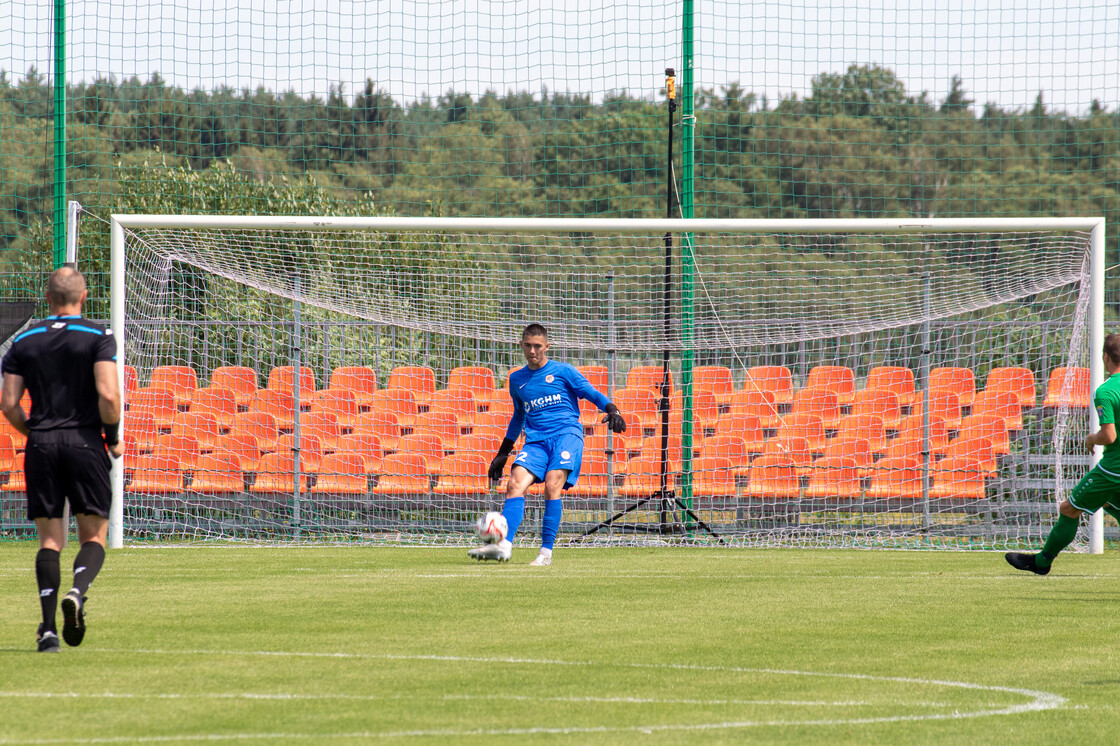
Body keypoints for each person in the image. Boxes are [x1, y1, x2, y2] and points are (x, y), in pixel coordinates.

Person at [0, 267, 122, 652]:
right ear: (83, 296)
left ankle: (48, 630)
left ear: (48, 299)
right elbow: (108, 395)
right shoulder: (98, 335)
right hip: (86, 443)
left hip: (42, 446)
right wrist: (113, 438)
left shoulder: (25, 340)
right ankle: (77, 591)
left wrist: (34, 434)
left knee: (50, 541)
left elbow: (8, 403)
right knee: (94, 535)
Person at [469, 323, 625, 565]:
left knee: (552, 485)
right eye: (528, 346)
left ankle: (545, 553)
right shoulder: (517, 379)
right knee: (514, 484)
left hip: (566, 435)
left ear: (547, 346)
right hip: (535, 441)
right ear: (521, 345)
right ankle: (504, 546)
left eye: (538, 346)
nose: (533, 351)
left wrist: (612, 409)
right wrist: (503, 452)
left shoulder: (563, 371)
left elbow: (590, 392)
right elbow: (519, 416)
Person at [1007, 334, 1120, 575]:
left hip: (1113, 470)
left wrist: (1091, 438)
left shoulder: (1106, 391)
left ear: (1105, 356)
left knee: (1069, 508)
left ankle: (1041, 562)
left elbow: (1109, 436)